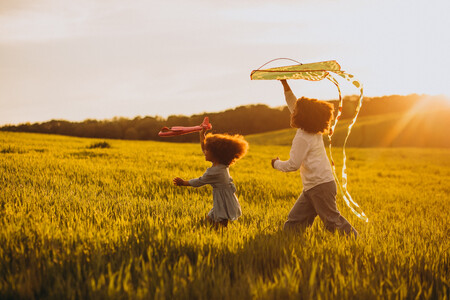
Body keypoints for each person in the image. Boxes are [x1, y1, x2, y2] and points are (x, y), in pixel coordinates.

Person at [271, 80, 358, 238]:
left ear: (302, 117)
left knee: (332, 222)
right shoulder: (312, 129)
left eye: (295, 112)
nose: (292, 113)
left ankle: (354, 240)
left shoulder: (303, 138)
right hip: (313, 187)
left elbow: (293, 165)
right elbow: (293, 104)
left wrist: (275, 163)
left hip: (320, 187)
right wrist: (285, 84)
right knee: (294, 223)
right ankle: (287, 241)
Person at [173, 126, 248, 228]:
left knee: (220, 224)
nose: (204, 151)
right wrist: (202, 135)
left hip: (224, 201)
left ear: (216, 154)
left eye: (207, 150)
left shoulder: (214, 172)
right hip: (224, 198)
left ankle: (222, 240)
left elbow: (200, 181)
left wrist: (183, 183)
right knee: (209, 221)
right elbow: (204, 148)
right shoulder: (222, 164)